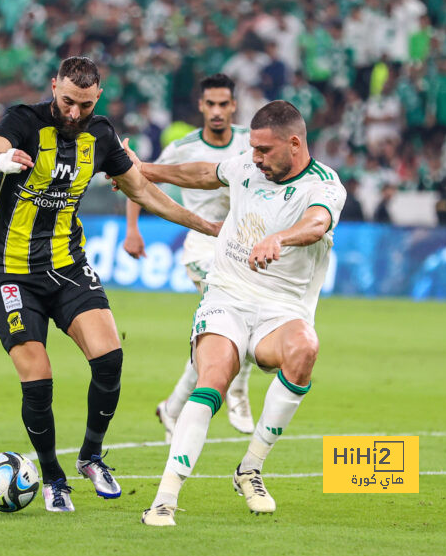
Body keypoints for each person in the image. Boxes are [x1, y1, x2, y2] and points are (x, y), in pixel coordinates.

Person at [0, 56, 219, 514]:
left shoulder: (100, 134)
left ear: (97, 97)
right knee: (38, 375)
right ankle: (52, 477)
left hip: (67, 264)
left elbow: (142, 189)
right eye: (67, 101)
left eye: (84, 104)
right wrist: (2, 159)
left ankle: (90, 455)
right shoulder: (24, 121)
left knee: (109, 358)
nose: (73, 113)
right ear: (54, 87)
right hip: (11, 271)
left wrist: (203, 224)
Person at [127, 100, 346, 526]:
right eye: (253, 150)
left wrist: (280, 238)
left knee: (305, 349)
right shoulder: (248, 163)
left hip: (282, 309)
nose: (256, 157)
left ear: (295, 143)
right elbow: (207, 173)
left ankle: (250, 468)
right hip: (227, 294)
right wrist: (147, 170)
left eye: (264, 150)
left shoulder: (324, 184)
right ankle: (164, 498)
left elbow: (318, 223)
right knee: (213, 382)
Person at [123, 73, 254, 440]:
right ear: (200, 106)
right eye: (209, 104)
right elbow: (139, 180)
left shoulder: (249, 142)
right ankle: (238, 393)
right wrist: (133, 229)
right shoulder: (184, 147)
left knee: (219, 331)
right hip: (202, 247)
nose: (216, 111)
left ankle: (173, 407)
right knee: (238, 315)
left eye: (223, 104)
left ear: (233, 105)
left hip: (243, 247)